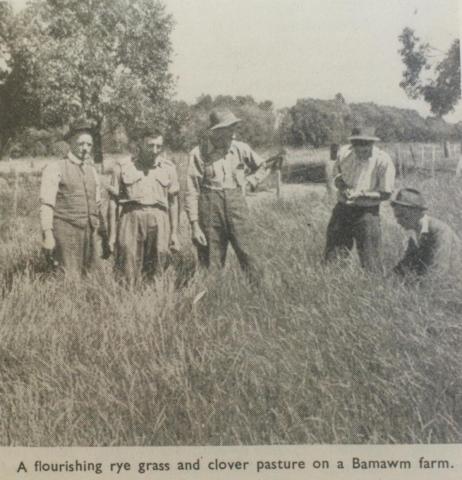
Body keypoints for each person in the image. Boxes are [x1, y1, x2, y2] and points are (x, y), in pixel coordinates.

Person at [185, 108, 268, 282]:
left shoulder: (240, 149)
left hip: (237, 205)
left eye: (233, 128)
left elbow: (263, 166)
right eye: (228, 128)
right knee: (210, 260)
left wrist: (251, 182)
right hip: (209, 208)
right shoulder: (198, 153)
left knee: (250, 254)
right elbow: (191, 190)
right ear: (216, 131)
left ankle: (259, 295)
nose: (232, 133)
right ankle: (213, 298)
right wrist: (194, 225)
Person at [107, 128, 179, 284]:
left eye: (158, 146)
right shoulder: (122, 166)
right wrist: (112, 235)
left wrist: (174, 233)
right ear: (140, 144)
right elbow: (112, 202)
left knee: (159, 261)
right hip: (131, 217)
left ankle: (153, 300)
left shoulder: (169, 168)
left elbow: (173, 202)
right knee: (128, 261)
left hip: (160, 218)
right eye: (150, 145)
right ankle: (127, 300)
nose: (155, 151)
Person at [324, 126, 395, 271]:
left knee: (371, 260)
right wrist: (344, 188)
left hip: (367, 212)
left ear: (373, 144)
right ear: (353, 144)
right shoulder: (343, 153)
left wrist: (361, 194)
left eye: (367, 145)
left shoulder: (383, 160)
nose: (364, 149)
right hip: (342, 209)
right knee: (333, 257)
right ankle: (333, 283)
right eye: (359, 145)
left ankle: (372, 287)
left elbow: (386, 193)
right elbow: (337, 177)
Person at [40, 119, 101, 276]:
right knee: (68, 279)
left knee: (92, 278)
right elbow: (47, 205)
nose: (85, 149)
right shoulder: (55, 168)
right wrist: (48, 235)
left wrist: (104, 235)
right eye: (81, 144)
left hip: (90, 233)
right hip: (66, 233)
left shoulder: (92, 172)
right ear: (70, 143)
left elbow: (97, 205)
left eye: (89, 144)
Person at [391, 188, 461, 278]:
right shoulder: (414, 234)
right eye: (396, 217)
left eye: (402, 215)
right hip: (429, 281)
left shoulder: (438, 230)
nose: (398, 221)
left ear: (415, 212)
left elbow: (439, 270)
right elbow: (406, 263)